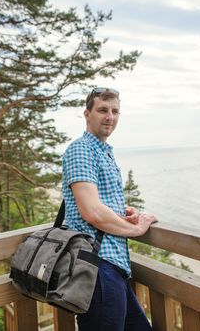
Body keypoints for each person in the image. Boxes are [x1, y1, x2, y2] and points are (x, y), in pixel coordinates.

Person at [62, 87, 157, 331]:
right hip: (96, 264)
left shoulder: (103, 152)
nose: (110, 117)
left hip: (112, 266)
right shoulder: (81, 149)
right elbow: (92, 211)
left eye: (115, 111)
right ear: (87, 114)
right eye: (103, 110)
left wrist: (124, 211)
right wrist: (136, 230)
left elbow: (97, 199)